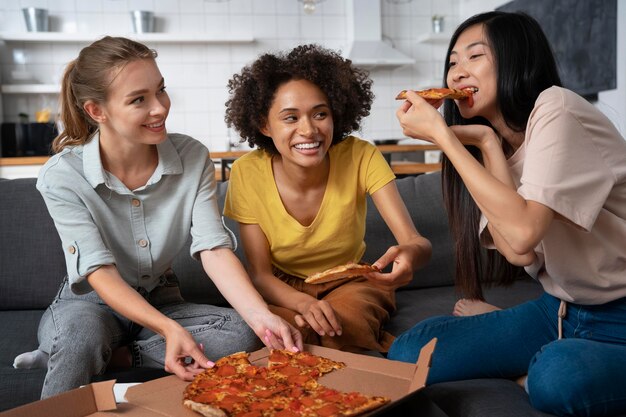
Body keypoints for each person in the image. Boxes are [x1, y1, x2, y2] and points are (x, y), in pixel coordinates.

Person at [13, 36, 302, 399]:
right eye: (139, 100)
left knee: (241, 333)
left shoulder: (192, 157)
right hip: (90, 304)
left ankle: (113, 356)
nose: (160, 108)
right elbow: (99, 272)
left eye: (160, 90)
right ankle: (77, 350)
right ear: (96, 111)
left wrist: (263, 318)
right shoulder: (62, 176)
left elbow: (213, 249)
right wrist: (167, 330)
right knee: (80, 339)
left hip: (161, 297)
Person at [389, 11, 626, 417]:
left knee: (557, 378)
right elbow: (518, 255)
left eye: (474, 57)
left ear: (516, 59)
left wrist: (445, 138)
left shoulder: (558, 109)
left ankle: (536, 370)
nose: (457, 74)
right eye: (452, 63)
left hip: (619, 317)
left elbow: (521, 234)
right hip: (560, 309)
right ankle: (537, 356)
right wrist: (484, 141)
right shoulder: (501, 141)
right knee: (410, 350)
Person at [222, 44, 432, 354]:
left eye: (320, 114)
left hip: (351, 281)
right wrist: (303, 303)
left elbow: (417, 243)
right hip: (283, 286)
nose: (309, 130)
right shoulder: (246, 172)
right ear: (265, 125)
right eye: (290, 118)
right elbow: (261, 275)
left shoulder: (361, 156)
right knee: (273, 334)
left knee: (340, 325)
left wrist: (411, 255)